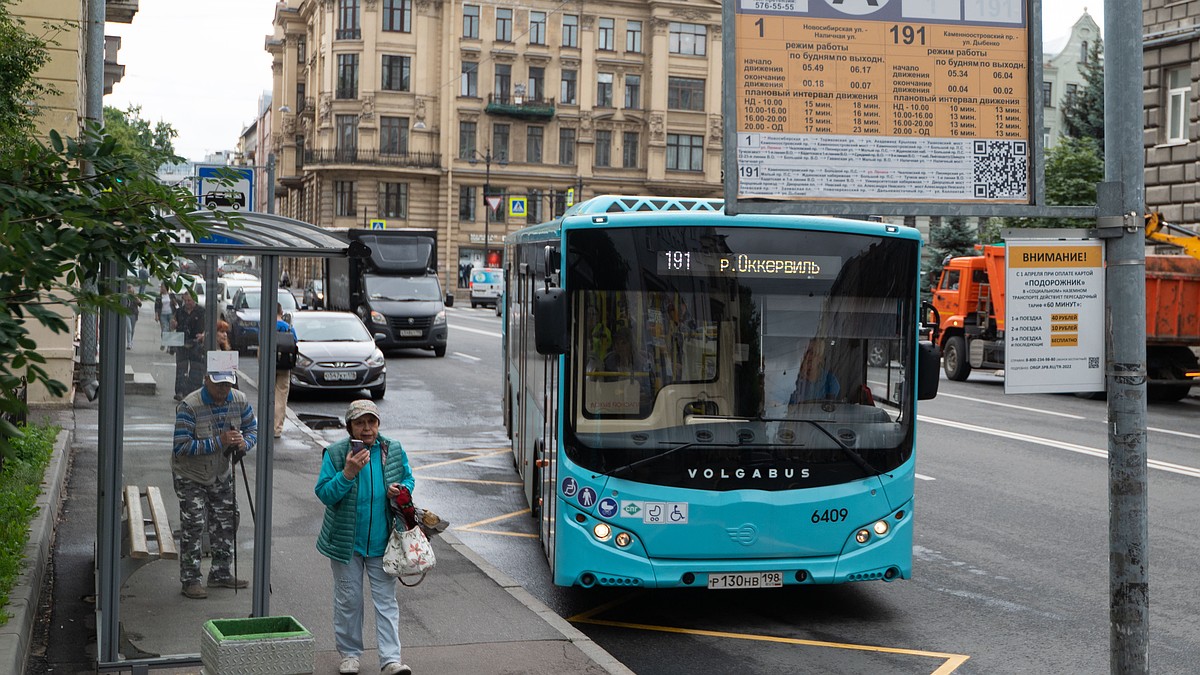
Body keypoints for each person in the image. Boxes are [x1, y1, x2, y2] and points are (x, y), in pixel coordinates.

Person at [315, 400, 414, 675]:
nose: (367, 428)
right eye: (360, 423)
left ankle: (391, 660)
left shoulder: (392, 449)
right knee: (349, 601)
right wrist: (348, 474)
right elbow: (324, 494)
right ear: (350, 427)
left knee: (386, 602)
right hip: (346, 543)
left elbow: (408, 478)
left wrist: (401, 488)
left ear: (378, 424)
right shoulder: (336, 454)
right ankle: (349, 655)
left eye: (371, 422)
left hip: (383, 543)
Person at [172, 369, 258, 599]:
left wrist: (244, 443)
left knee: (229, 517)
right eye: (219, 385)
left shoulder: (239, 400)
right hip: (191, 474)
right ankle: (190, 579)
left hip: (220, 472)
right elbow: (181, 447)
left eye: (228, 385)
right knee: (194, 523)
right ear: (206, 379)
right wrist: (218, 441)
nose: (223, 390)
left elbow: (252, 428)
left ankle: (220, 572)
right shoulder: (189, 406)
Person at [173, 293, 206, 400]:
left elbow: (209, 327)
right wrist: (173, 324)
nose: (187, 303)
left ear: (194, 300)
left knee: (196, 368)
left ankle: (194, 392)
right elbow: (173, 325)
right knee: (181, 368)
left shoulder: (201, 311)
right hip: (182, 342)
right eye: (185, 301)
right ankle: (180, 391)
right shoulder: (179, 312)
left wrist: (203, 335)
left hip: (197, 342)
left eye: (189, 301)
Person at [273, 303, 297, 438]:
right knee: (281, 397)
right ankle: (277, 428)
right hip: (284, 364)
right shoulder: (287, 327)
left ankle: (266, 424)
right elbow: (295, 341)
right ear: (281, 312)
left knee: (267, 395)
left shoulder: (265, 325)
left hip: (268, 364)